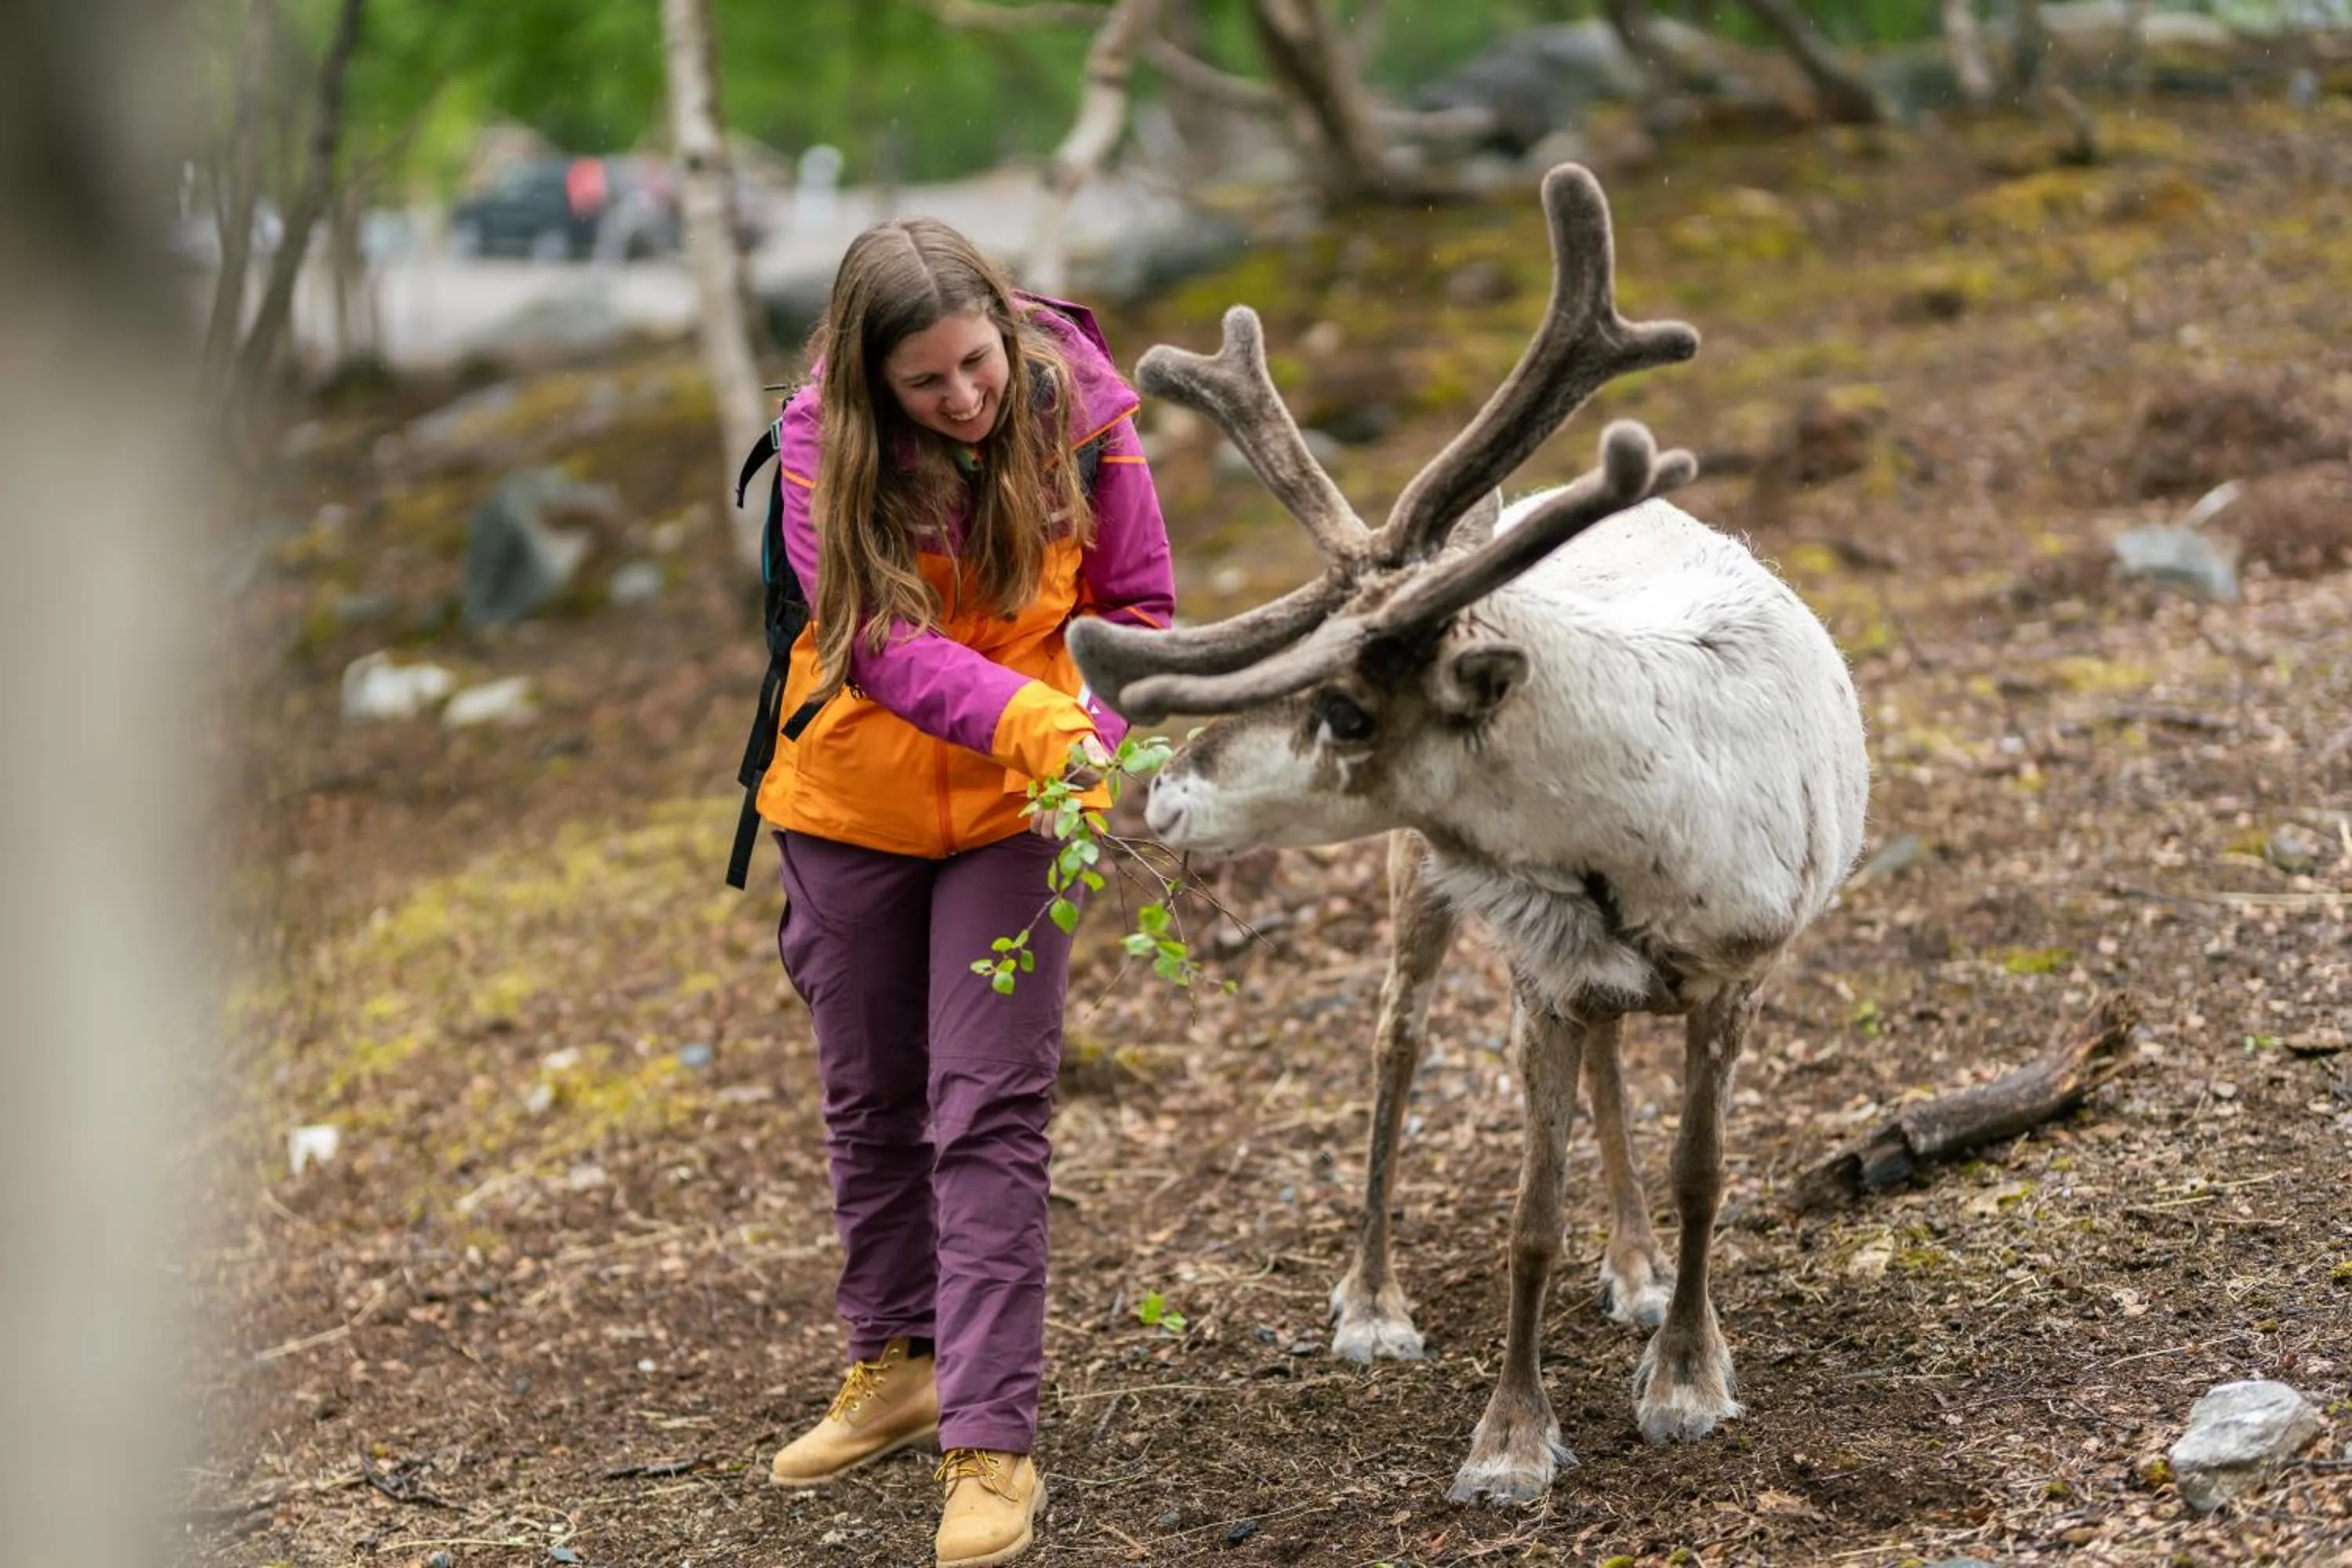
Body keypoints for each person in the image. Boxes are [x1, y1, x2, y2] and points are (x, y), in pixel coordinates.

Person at [753, 216, 1174, 1568]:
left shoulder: (1085, 417)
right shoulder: (823, 440)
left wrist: (1082, 749)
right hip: (854, 802)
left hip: (1020, 807)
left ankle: (991, 1444)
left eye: (978, 364)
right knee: (869, 1096)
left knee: (987, 1111)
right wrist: (1029, 723)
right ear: (875, 384)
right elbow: (870, 639)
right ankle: (897, 1365)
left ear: (1008, 328)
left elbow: (1141, 616)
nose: (965, 398)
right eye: (927, 383)